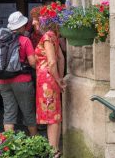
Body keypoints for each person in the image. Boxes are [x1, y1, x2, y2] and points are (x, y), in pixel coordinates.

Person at [0, 11, 37, 136]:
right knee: (28, 112)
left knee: (9, 113)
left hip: (3, 81)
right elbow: (32, 62)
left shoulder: (0, 39)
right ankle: (35, 142)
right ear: (21, 26)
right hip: (22, 81)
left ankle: (9, 144)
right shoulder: (25, 40)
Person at [35, 14, 65, 157]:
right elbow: (61, 58)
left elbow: (52, 61)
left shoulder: (47, 36)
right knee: (55, 114)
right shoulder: (54, 36)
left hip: (47, 81)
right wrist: (60, 77)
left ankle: (53, 152)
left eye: (36, 19)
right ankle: (55, 149)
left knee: (50, 116)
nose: (34, 22)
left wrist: (58, 79)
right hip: (51, 79)